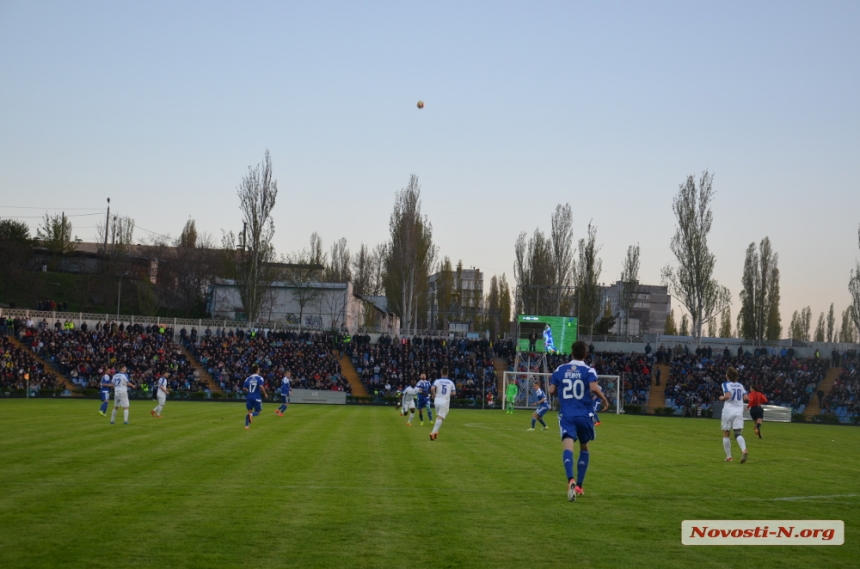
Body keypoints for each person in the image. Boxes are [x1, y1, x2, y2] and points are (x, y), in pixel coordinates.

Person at [549, 341, 609, 502]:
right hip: (584, 415)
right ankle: (579, 486)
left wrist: (559, 390)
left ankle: (570, 479)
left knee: (568, 447)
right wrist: (605, 400)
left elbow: (551, 390)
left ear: (571, 353)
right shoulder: (589, 370)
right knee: (584, 447)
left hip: (567, 414)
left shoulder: (561, 369)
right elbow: (594, 387)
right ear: (585, 354)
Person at [719, 367, 749, 463]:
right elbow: (747, 398)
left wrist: (721, 398)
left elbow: (728, 396)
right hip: (738, 411)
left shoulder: (725, 384)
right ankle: (744, 450)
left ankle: (729, 457)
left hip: (728, 411)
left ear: (727, 376)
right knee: (737, 433)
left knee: (726, 433)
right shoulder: (740, 385)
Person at [429, 367, 456, 441]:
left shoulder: (437, 381)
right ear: (448, 373)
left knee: (439, 416)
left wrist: (434, 394)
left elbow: (432, 388)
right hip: (444, 401)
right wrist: (448, 394)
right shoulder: (451, 382)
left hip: (437, 400)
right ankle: (433, 433)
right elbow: (454, 393)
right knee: (440, 417)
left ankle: (435, 433)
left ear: (441, 373)